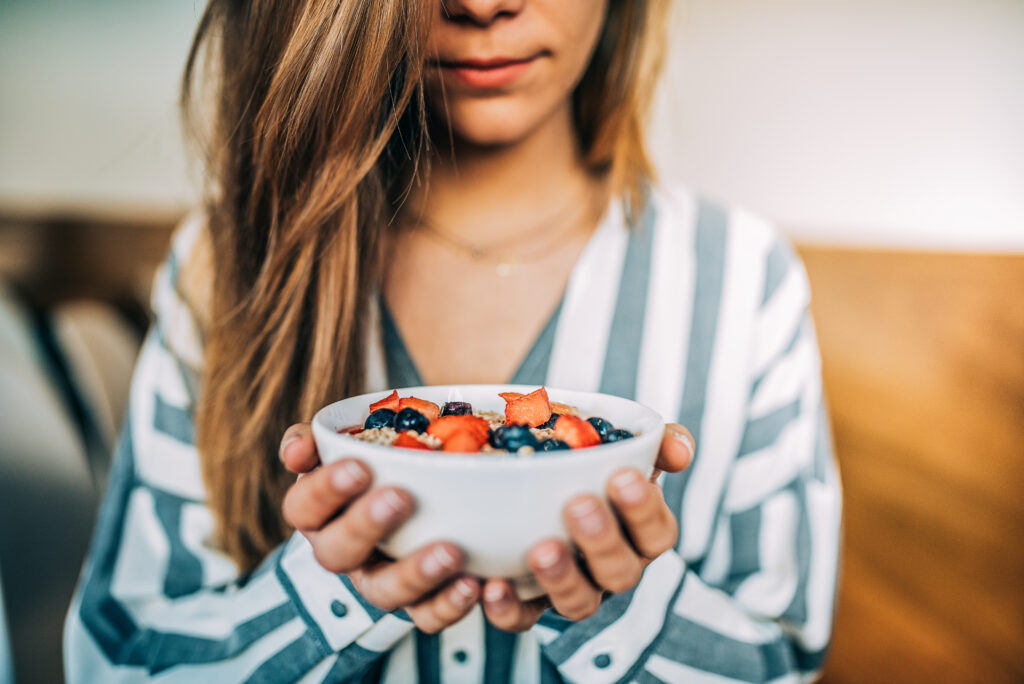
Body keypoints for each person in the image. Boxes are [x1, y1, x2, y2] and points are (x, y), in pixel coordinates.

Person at [64, 0, 842, 681]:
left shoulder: (744, 278)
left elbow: (778, 664)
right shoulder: (226, 263)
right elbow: (121, 663)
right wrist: (332, 591)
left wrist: (625, 608)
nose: (483, 5)